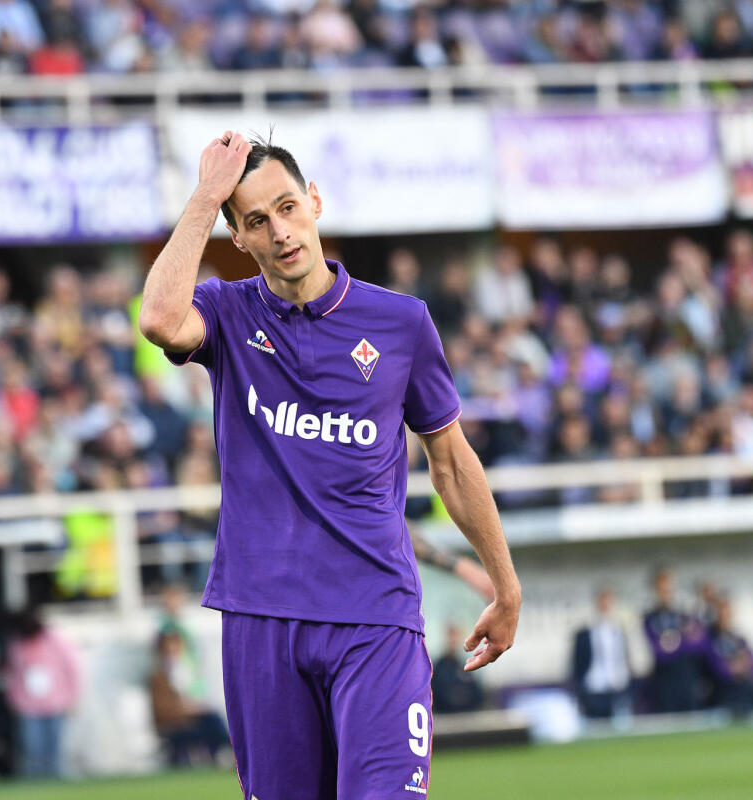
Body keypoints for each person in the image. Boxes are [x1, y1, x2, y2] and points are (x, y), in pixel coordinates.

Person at [138, 131, 520, 798]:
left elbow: (453, 463)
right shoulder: (226, 313)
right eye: (257, 220)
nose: (280, 231)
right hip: (262, 619)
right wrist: (204, 196)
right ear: (239, 238)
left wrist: (505, 583)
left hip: (376, 614)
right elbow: (160, 319)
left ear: (314, 202)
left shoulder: (400, 323)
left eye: (288, 207)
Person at [3, 608, 80, 778]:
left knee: (54, 749)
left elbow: (72, 667)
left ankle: (56, 783)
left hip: (56, 702)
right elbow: (13, 675)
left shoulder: (54, 640)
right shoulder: (17, 645)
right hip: (28, 706)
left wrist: (73, 695)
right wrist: (14, 700)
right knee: (33, 748)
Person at [149, 630, 230, 766]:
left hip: (189, 719)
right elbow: (162, 711)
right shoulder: (158, 677)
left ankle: (223, 753)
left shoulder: (183, 669)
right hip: (175, 724)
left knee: (212, 719)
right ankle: (229, 750)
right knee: (212, 722)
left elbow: (194, 695)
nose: (175, 649)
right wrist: (188, 711)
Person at [643, 567, 707, 713]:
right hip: (664, 679)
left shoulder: (684, 614)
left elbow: (699, 644)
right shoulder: (650, 618)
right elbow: (658, 651)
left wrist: (674, 642)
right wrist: (682, 639)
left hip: (686, 676)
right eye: (661, 589)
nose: (665, 593)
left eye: (668, 588)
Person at [571, 588, 632, 719]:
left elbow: (625, 659)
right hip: (594, 689)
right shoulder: (584, 634)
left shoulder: (619, 631)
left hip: (617, 688)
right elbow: (577, 664)